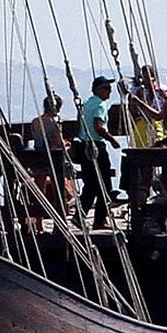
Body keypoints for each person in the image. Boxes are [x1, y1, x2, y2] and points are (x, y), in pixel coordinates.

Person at [76, 75, 117, 225]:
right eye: (105, 88)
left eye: (109, 88)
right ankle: (99, 220)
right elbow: (98, 126)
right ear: (97, 90)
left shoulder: (87, 104)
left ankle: (79, 216)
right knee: (104, 184)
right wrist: (111, 139)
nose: (109, 91)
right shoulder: (99, 105)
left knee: (91, 184)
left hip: (84, 146)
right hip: (96, 148)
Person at [30, 92, 75, 208]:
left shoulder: (35, 121)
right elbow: (57, 142)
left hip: (36, 157)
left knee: (39, 189)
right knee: (58, 187)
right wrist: (67, 143)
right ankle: (60, 211)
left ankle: (38, 220)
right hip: (52, 159)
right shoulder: (53, 123)